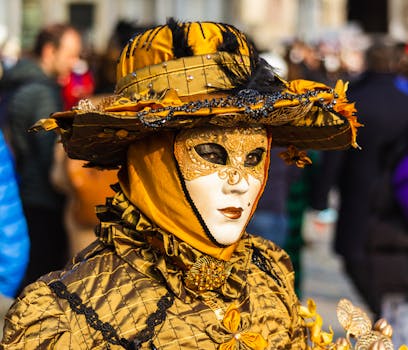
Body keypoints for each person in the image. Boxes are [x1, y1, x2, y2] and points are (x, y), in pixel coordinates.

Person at [3, 19, 399, 349]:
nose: (240, 184)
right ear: (149, 161)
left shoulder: (267, 273)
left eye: (254, 157)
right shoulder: (65, 315)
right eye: (211, 154)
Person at [1, 23, 82, 288]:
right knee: (39, 282)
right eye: (70, 55)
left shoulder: (19, 81)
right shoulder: (40, 92)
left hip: (23, 194)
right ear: (49, 51)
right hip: (39, 202)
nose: (75, 62)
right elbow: (48, 154)